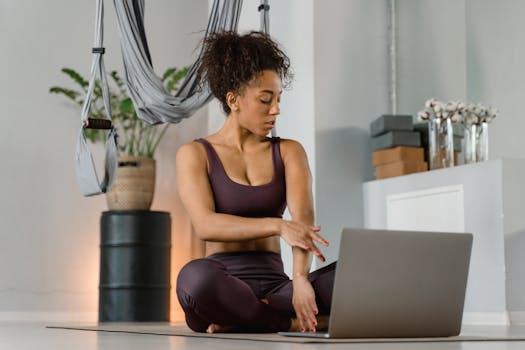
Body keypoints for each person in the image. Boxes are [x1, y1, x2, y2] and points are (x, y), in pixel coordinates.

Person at [175, 31, 336, 334]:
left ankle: (245, 322)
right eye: (265, 100)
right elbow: (206, 224)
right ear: (233, 100)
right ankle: (288, 323)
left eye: (278, 99)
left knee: (361, 276)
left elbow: (302, 224)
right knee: (194, 279)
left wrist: (300, 279)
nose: (276, 109)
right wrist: (277, 225)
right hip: (223, 287)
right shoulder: (195, 154)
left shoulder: (289, 152)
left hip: (278, 289)